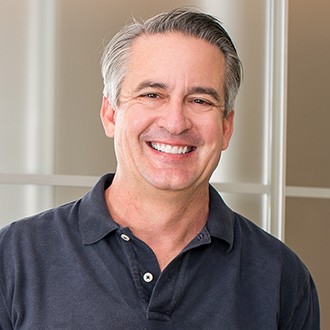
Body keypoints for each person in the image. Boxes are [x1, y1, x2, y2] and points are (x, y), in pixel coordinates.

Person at [0, 8, 319, 329]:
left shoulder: (282, 279)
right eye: (152, 94)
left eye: (200, 100)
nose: (175, 122)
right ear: (110, 114)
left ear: (226, 126)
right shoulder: (14, 258)